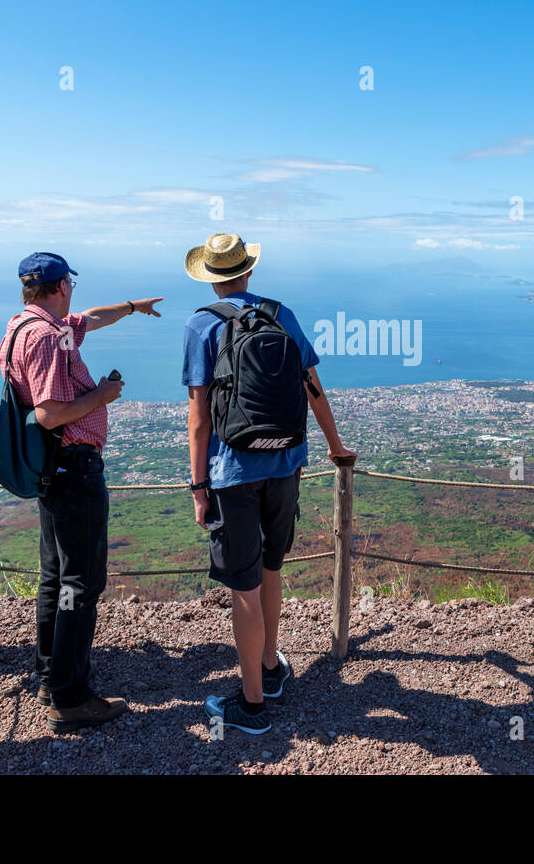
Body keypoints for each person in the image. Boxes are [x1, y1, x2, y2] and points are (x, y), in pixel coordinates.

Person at [182, 234, 354, 734]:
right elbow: (312, 386)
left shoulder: (202, 324)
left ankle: (252, 706)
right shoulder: (282, 315)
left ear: (211, 276)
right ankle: (271, 668)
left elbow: (199, 416)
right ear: (248, 272)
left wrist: (198, 486)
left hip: (233, 473)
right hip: (286, 465)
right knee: (272, 566)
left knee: (243, 585)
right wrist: (335, 444)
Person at [0, 252, 163, 733]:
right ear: (61, 285)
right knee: (81, 583)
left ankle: (53, 675)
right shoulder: (48, 339)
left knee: (57, 578)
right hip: (73, 469)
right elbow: (50, 412)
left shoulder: (24, 326)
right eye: (69, 282)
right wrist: (104, 395)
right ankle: (70, 696)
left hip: (55, 471)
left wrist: (132, 306)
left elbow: (88, 319)